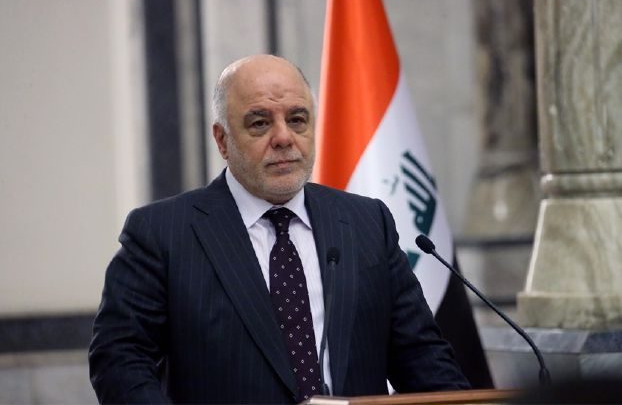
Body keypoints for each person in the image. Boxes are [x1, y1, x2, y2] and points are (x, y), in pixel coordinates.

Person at [89, 54, 470, 404]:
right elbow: (120, 358)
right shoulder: (162, 233)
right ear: (222, 140)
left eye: (297, 120)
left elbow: (421, 356)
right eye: (260, 123)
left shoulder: (366, 222)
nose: (284, 137)